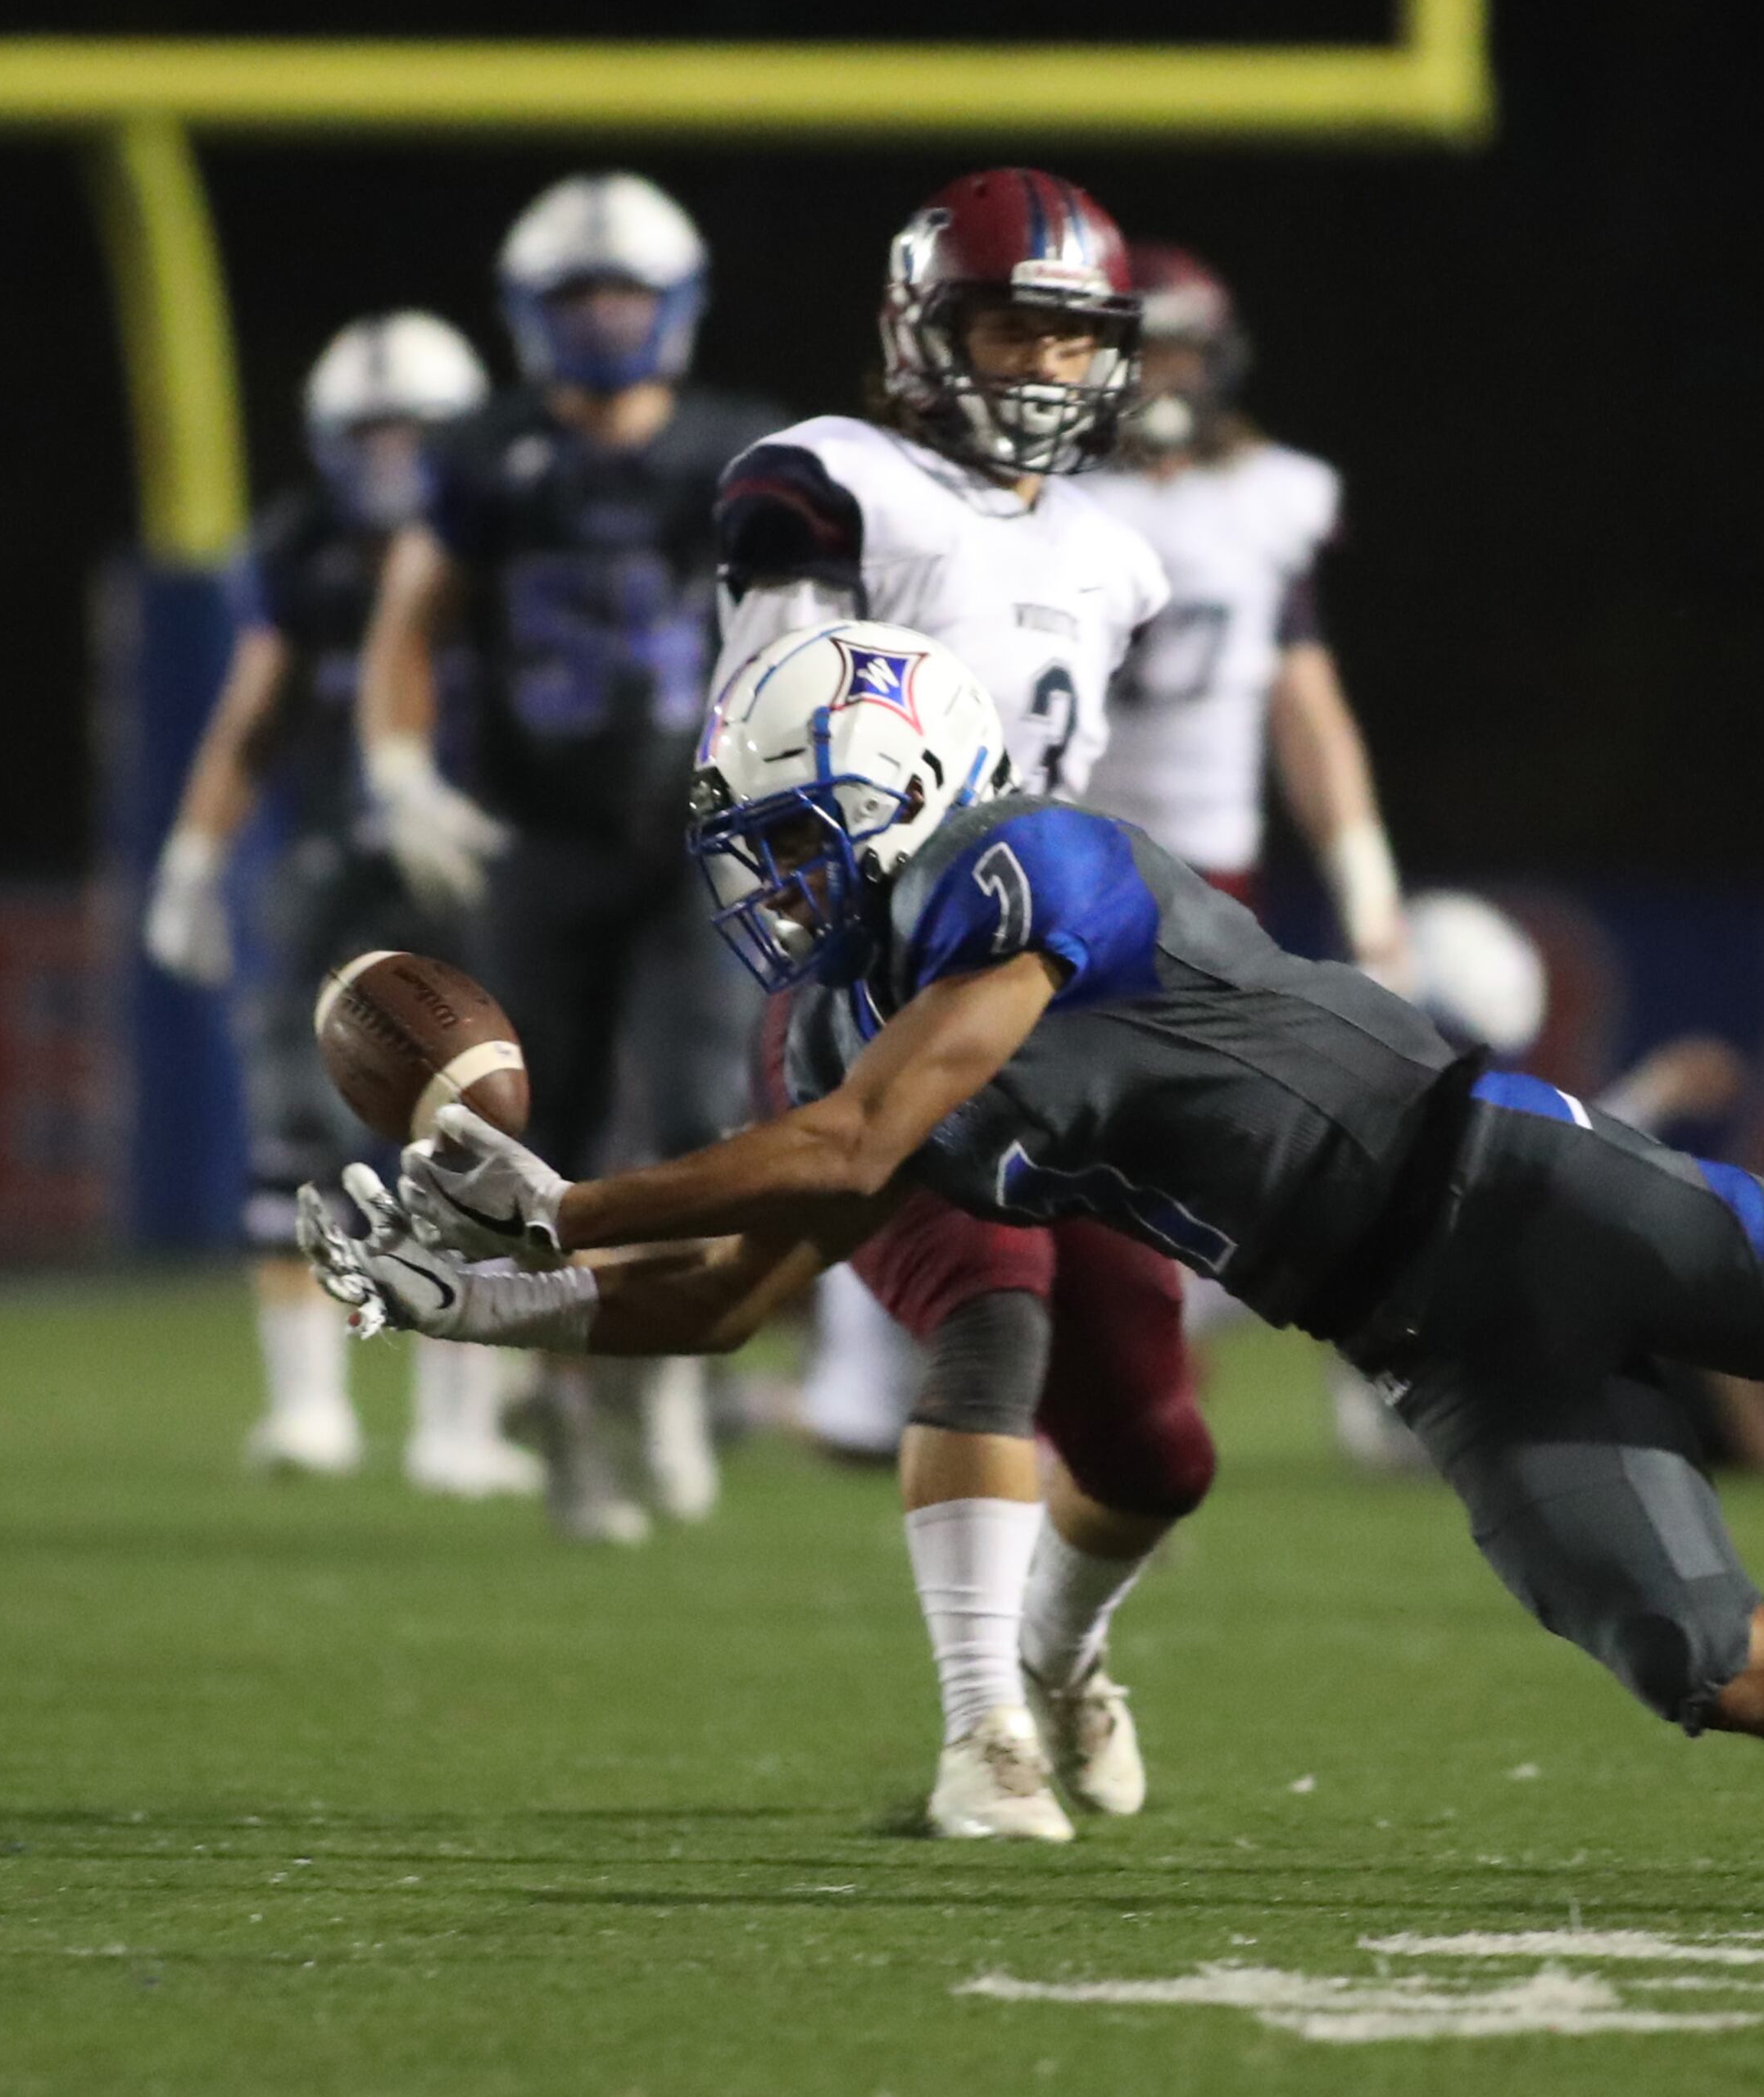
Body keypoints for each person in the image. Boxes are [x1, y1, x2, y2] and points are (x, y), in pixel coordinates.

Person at [309, 619, 1764, 1890]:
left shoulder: (1028, 864)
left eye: (795, 834)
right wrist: (490, 1297)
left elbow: (840, 1146)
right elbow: (733, 1289)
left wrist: (562, 1198)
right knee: (1707, 1659)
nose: (773, 884)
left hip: (1526, 1186)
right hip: (1413, 1331)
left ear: (897, 789)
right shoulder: (854, 1029)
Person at [706, 168, 1185, 1842]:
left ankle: (1065, 1655)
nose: (1051, 369)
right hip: (881, 974)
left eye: (1078, 338)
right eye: (1016, 326)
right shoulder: (834, 486)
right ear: (927, 329)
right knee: (993, 1312)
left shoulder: (1119, 559)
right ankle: (983, 1730)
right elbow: (761, 736)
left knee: (1158, 1439)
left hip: (1063, 997)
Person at [355, 172, 781, 1544]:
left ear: (678, 305)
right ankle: (578, 1406)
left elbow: (805, 631)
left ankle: (659, 1370)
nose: (605, 321)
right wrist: (399, 767)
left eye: (626, 295)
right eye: (580, 297)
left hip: (697, 834)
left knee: (712, 1106)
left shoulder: (745, 449)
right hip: (541, 834)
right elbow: (410, 616)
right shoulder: (485, 453)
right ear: (533, 316)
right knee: (538, 1137)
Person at [143, 309, 539, 1497]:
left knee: (483, 1145)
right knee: (293, 1139)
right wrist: (193, 858)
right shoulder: (306, 547)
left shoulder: (519, 537)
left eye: (415, 430)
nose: (391, 456)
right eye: (369, 432)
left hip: (478, 863)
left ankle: (459, 1423)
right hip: (333, 868)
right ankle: (310, 1408)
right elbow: (253, 715)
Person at [1080, 243, 1412, 978]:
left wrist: (1368, 891)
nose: (1162, 377)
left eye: (1179, 353)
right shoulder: (1053, 497)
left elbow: (1308, 711)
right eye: (1143, 353)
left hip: (1209, 866)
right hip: (1063, 855)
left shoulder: (1268, 499)